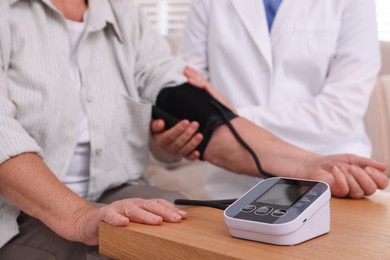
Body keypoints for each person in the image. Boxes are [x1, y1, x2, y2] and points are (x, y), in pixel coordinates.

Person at [0, 0, 387, 259]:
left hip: (117, 191)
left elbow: (182, 95)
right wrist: (79, 216)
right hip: (18, 212)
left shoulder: (119, 10)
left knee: (201, 240)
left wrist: (307, 165)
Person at [170, 0, 385, 199]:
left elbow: (340, 110)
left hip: (334, 177)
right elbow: (189, 84)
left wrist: (227, 118)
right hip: (235, 183)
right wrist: (214, 117)